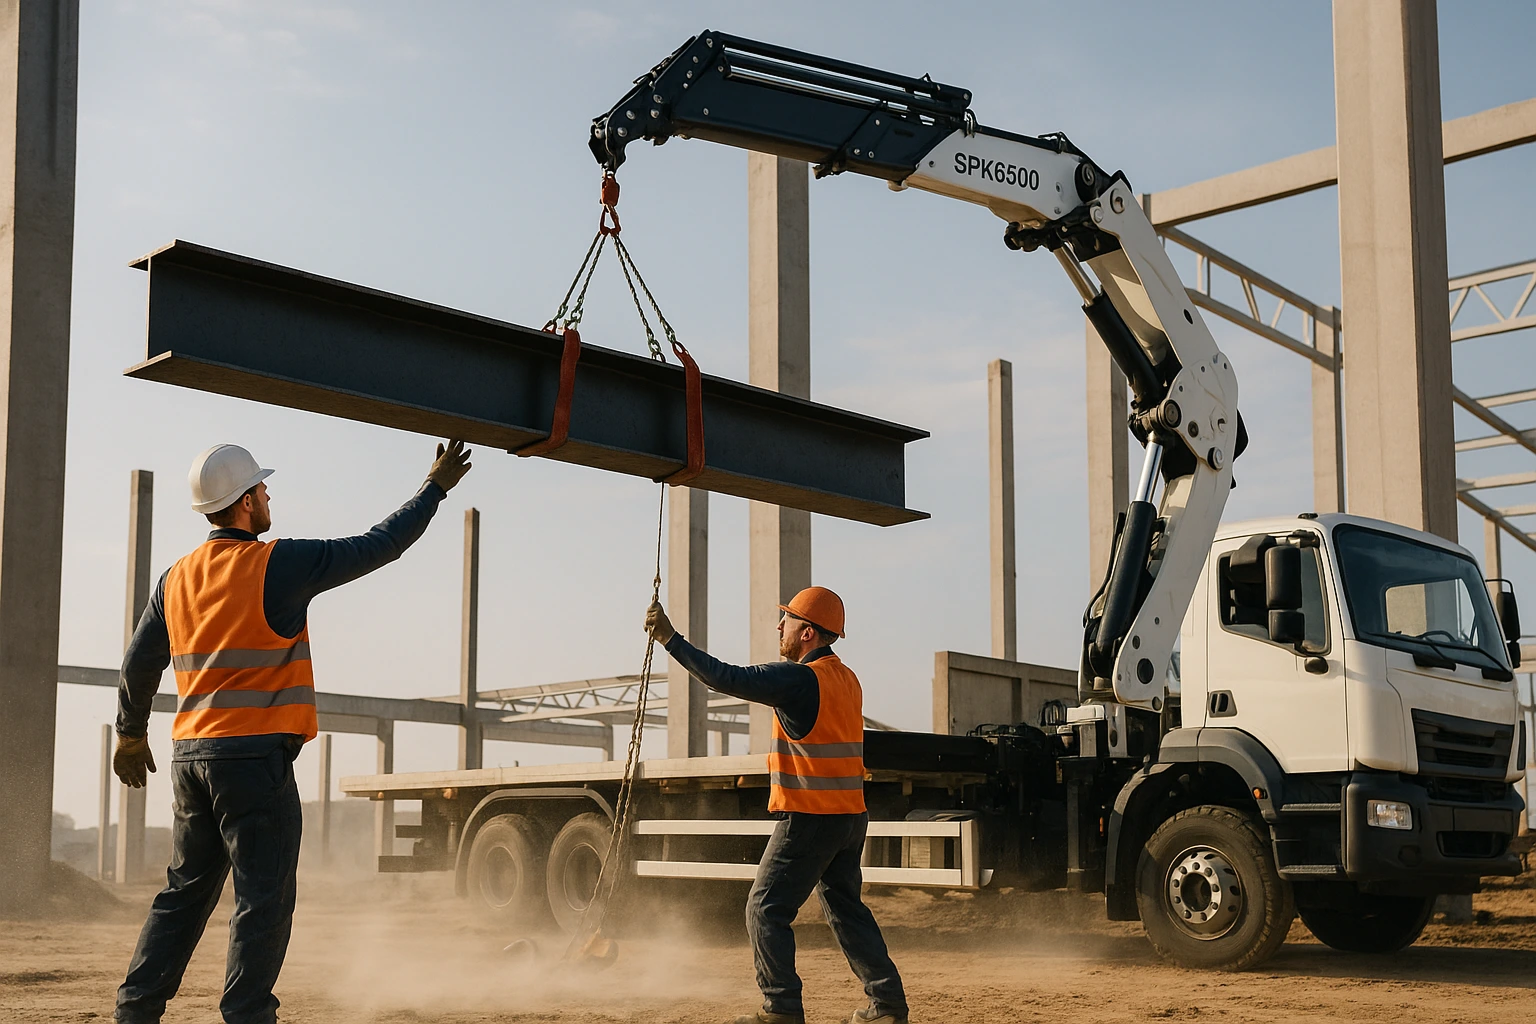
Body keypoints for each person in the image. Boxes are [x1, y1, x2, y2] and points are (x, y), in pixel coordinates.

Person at [111, 439, 473, 1024]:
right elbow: (379, 545)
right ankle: (247, 1014)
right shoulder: (277, 564)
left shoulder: (174, 579)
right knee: (263, 898)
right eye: (262, 488)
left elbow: (138, 662)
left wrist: (130, 733)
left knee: (184, 893)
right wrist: (433, 489)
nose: (269, 493)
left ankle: (135, 1011)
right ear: (246, 502)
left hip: (189, 761)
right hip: (253, 762)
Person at [645, 587, 909, 1024]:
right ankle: (887, 1007)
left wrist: (672, 639)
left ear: (807, 632)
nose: (778, 626)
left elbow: (726, 677)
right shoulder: (846, 678)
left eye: (785, 619)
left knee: (764, 909)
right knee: (847, 910)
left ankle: (781, 1009)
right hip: (849, 815)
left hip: (810, 814)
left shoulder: (799, 679)